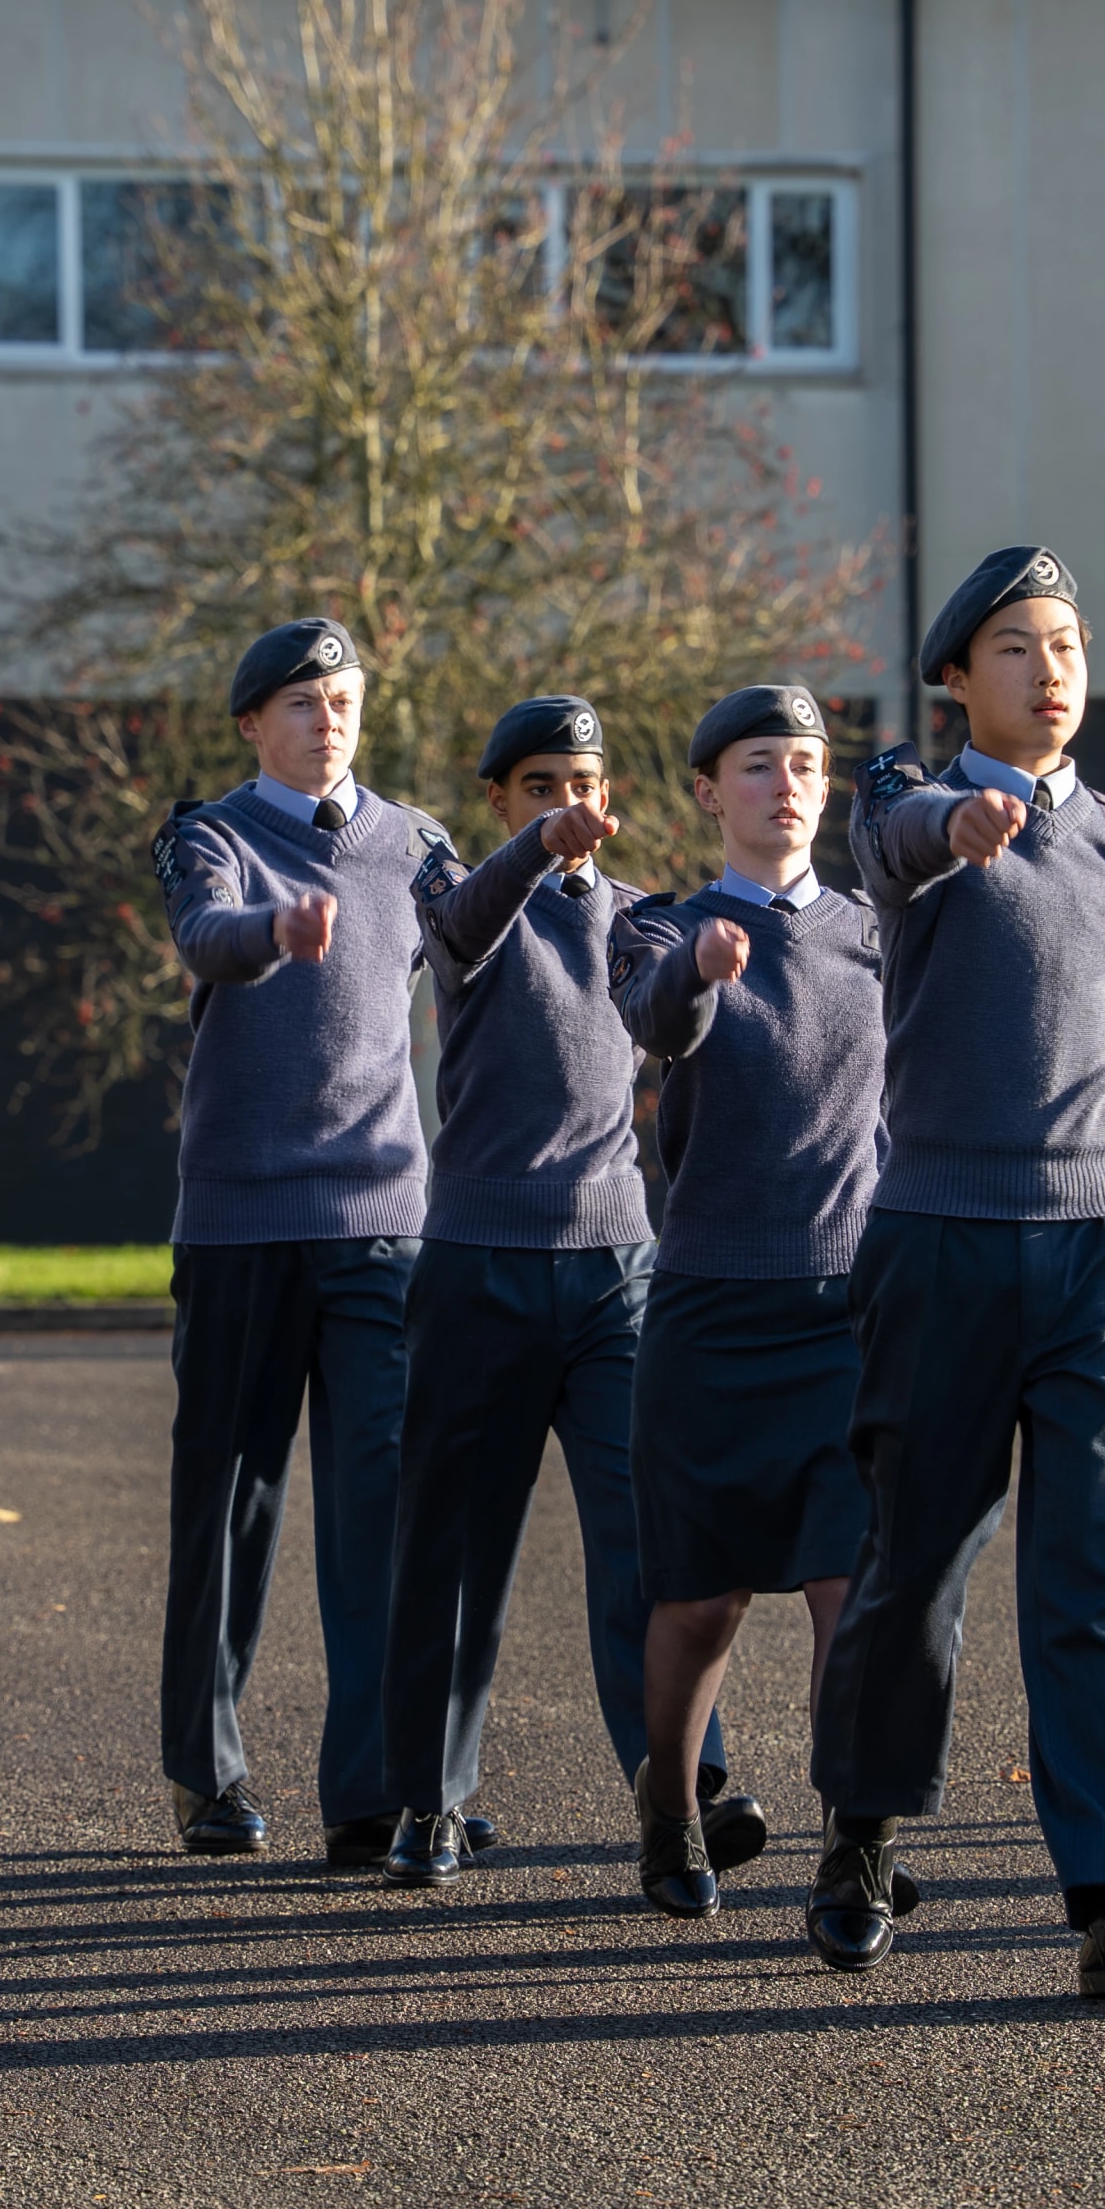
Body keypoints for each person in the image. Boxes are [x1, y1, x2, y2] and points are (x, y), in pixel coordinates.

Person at [806, 546, 1105, 2003]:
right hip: (943, 1240)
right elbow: (901, 842)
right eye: (1015, 648)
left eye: (1067, 644)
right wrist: (960, 819)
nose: (1050, 671)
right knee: (916, 1561)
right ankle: (862, 1835)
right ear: (954, 680)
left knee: (1103, 1568)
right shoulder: (897, 806)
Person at [378, 695, 716, 1886]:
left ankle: (682, 1796)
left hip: (615, 1271)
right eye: (538, 787)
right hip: (478, 1266)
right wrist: (537, 849)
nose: (567, 806)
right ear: (498, 801)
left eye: (582, 786)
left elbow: (679, 1017)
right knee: (455, 1546)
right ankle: (429, 1798)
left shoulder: (640, 919)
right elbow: (469, 918)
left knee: (649, 1540)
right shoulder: (462, 900)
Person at [153, 618, 447, 1868]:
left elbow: (495, 948)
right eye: (302, 702)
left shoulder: (417, 844)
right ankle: (206, 1769)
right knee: (231, 1501)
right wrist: (274, 933)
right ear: (251, 724)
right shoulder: (209, 837)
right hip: (244, 1222)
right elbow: (206, 934)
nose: (328, 719)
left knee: (382, 1505)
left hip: (383, 1221)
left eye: (343, 700)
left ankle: (373, 1787)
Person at [608, 684, 897, 1918]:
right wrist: (700, 968)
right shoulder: (660, 927)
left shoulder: (878, 931)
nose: (788, 785)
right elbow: (653, 1019)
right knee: (701, 1600)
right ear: (708, 792)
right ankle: (671, 1811)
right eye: (760, 764)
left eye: (808, 764)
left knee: (852, 1592)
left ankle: (854, 1845)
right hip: (711, 1312)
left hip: (848, 1311)